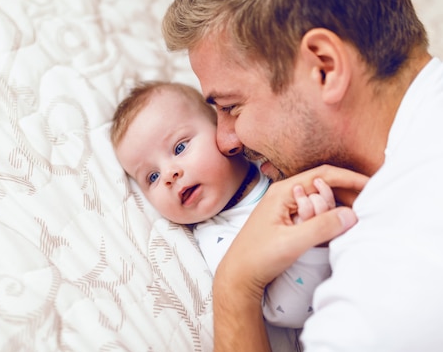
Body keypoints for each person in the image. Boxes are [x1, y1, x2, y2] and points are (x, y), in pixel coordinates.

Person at [161, 0, 443, 352]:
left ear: (324, 67)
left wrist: (234, 287)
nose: (225, 141)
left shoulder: (392, 290)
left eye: (231, 107)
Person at [110, 81, 337, 334]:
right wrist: (314, 247)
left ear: (221, 130)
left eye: (180, 147)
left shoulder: (273, 162)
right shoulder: (219, 238)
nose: (168, 175)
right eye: (152, 177)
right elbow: (281, 310)